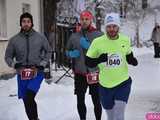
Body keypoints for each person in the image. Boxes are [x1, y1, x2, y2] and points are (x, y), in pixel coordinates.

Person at [85, 13, 138, 120]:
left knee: (119, 114)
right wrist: (100, 59)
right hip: (105, 86)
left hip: (123, 83)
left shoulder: (125, 40)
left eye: (114, 26)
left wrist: (131, 59)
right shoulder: (97, 42)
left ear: (118, 27)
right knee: (111, 116)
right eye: (109, 26)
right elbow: (88, 62)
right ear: (105, 28)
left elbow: (128, 53)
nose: (111, 29)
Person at [5, 12, 51, 120]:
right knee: (26, 100)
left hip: (36, 72)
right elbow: (7, 57)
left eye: (28, 21)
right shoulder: (14, 40)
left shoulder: (40, 37)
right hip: (22, 74)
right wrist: (14, 64)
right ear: (20, 24)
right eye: (24, 21)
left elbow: (48, 51)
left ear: (32, 23)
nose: (26, 24)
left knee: (30, 96)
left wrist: (42, 64)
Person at [66, 10, 103, 120]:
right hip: (80, 72)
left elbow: (104, 52)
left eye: (87, 19)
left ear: (91, 20)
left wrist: (90, 47)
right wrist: (71, 54)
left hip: (94, 72)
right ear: (80, 21)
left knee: (96, 100)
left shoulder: (99, 35)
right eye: (82, 19)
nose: (84, 21)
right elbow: (67, 51)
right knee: (80, 99)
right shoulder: (74, 36)